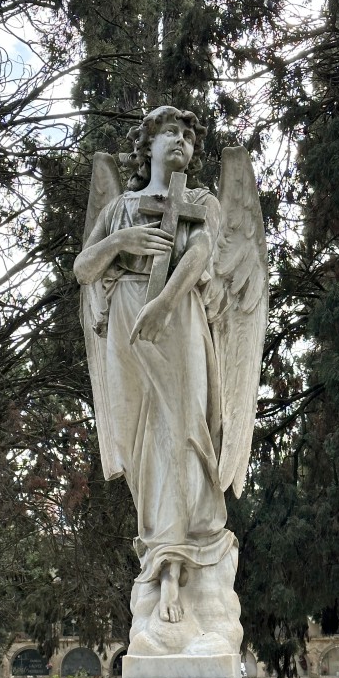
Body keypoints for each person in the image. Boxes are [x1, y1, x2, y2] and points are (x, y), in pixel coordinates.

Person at [74, 107, 231, 625]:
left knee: (185, 430)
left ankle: (175, 565)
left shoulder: (198, 202)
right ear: (148, 145)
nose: (181, 140)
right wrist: (121, 242)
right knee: (146, 443)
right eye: (171, 132)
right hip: (127, 321)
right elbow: (83, 268)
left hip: (175, 314)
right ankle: (160, 556)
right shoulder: (121, 207)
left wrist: (164, 303)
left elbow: (202, 250)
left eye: (188, 134)